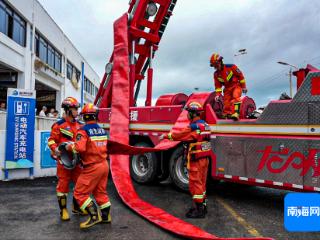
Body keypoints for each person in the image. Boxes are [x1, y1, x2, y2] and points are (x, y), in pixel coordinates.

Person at [161, 101, 212, 218]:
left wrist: (165, 136)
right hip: (205, 159)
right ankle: (203, 206)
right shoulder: (206, 125)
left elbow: (177, 135)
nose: (188, 115)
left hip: (196, 160)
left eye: (189, 112)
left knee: (195, 184)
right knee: (202, 183)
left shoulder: (193, 127)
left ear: (193, 114)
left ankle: (199, 210)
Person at [66, 103, 111, 229]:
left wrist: (69, 146)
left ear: (85, 117)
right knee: (100, 192)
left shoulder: (83, 131)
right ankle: (106, 217)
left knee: (79, 193)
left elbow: (80, 147)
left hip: (92, 167)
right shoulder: (102, 130)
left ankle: (94, 216)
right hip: (104, 165)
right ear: (96, 116)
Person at [47, 97, 84, 221]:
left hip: (77, 162)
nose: (77, 111)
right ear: (68, 110)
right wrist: (54, 148)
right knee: (63, 186)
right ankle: (63, 210)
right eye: (75, 109)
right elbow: (51, 140)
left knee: (80, 185)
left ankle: (76, 207)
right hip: (64, 163)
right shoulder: (58, 125)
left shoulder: (80, 125)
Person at [210, 53, 248, 120]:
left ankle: (236, 113)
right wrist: (218, 95)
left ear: (220, 62)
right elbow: (218, 86)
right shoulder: (216, 74)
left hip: (236, 85)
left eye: (216, 64)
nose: (215, 67)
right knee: (226, 102)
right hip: (227, 88)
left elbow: (241, 76)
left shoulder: (231, 67)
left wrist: (244, 86)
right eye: (214, 66)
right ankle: (227, 115)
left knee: (236, 96)